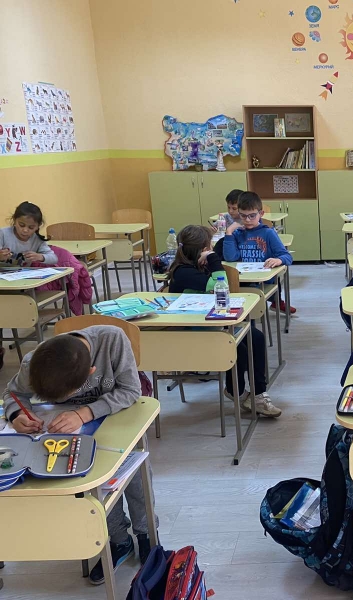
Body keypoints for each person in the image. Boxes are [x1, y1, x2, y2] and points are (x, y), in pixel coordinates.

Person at [2, 326, 158, 584]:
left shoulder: (112, 340)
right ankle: (119, 539)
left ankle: (146, 533)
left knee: (132, 470)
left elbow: (130, 391)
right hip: (65, 435)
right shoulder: (35, 363)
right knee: (91, 480)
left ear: (91, 372)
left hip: (116, 419)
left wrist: (84, 413)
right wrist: (18, 414)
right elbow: (13, 393)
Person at [168, 225, 280, 417]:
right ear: (202, 249)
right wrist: (213, 258)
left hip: (211, 322)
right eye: (208, 246)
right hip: (192, 330)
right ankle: (236, 391)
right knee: (238, 348)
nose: (211, 249)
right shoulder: (183, 272)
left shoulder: (198, 266)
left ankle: (259, 394)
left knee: (256, 337)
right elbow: (221, 285)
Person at [222, 191, 295, 313]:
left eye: (252, 216)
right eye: (243, 216)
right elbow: (230, 258)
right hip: (243, 280)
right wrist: (229, 232)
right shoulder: (237, 233)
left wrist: (278, 260)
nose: (247, 220)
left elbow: (287, 256)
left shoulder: (268, 233)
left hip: (263, 281)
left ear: (261, 214)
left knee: (250, 303)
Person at [0, 201, 57, 266]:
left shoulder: (37, 239)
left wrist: (40, 257)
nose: (25, 230)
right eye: (21, 225)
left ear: (38, 226)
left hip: (24, 272)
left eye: (31, 227)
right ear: (14, 220)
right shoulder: (2, 233)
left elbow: (54, 258)